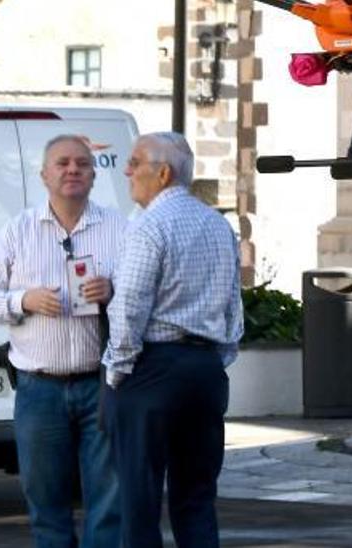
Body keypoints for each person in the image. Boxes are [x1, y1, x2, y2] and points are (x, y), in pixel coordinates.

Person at [0, 135, 125, 547]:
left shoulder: (119, 229)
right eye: (62, 163)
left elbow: (143, 296)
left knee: (109, 500)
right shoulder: (16, 232)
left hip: (101, 384)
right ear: (44, 175)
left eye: (82, 163)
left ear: (95, 174)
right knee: (44, 501)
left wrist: (113, 292)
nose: (72, 170)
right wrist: (23, 299)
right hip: (39, 388)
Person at [103, 132, 243, 548]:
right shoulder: (218, 224)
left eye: (134, 162)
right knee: (197, 498)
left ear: (162, 174)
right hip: (204, 370)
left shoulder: (147, 226)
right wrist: (217, 357)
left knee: (138, 500)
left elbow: (129, 303)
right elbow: (234, 303)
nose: (126, 171)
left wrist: (118, 369)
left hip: (152, 368)